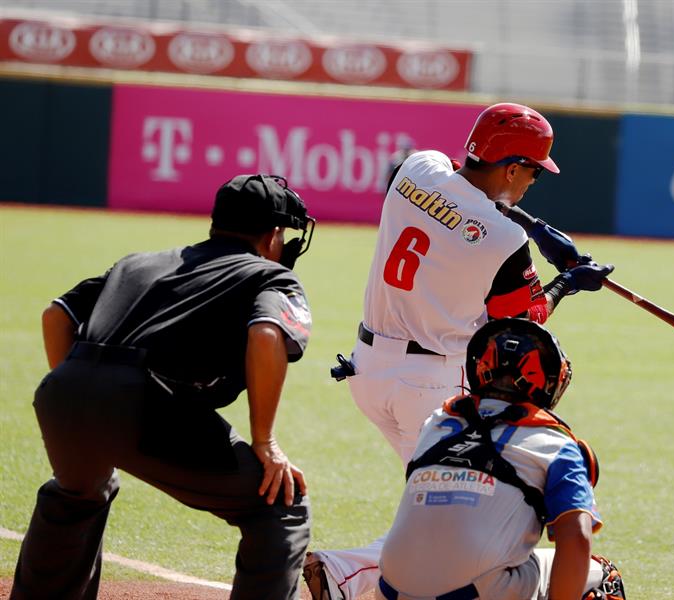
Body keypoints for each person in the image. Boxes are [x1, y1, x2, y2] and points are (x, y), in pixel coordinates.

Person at [305, 103, 614, 599]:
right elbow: (521, 321)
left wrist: (531, 231)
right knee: (447, 515)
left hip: (366, 369)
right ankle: (340, 575)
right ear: (512, 167)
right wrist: (566, 283)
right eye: (532, 170)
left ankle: (349, 577)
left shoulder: (417, 166)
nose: (534, 181)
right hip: (429, 388)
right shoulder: (506, 241)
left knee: (431, 504)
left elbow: (459, 196)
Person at [12, 174, 317, 600]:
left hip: (62, 390)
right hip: (142, 402)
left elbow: (56, 316)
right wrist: (264, 442)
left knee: (76, 493)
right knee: (282, 508)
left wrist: (86, 401)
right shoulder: (268, 275)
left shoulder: (137, 263)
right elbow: (266, 335)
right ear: (274, 235)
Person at [378, 318, 625, 600]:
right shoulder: (555, 444)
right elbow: (577, 538)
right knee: (600, 576)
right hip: (481, 592)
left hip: (389, 590)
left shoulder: (434, 425)